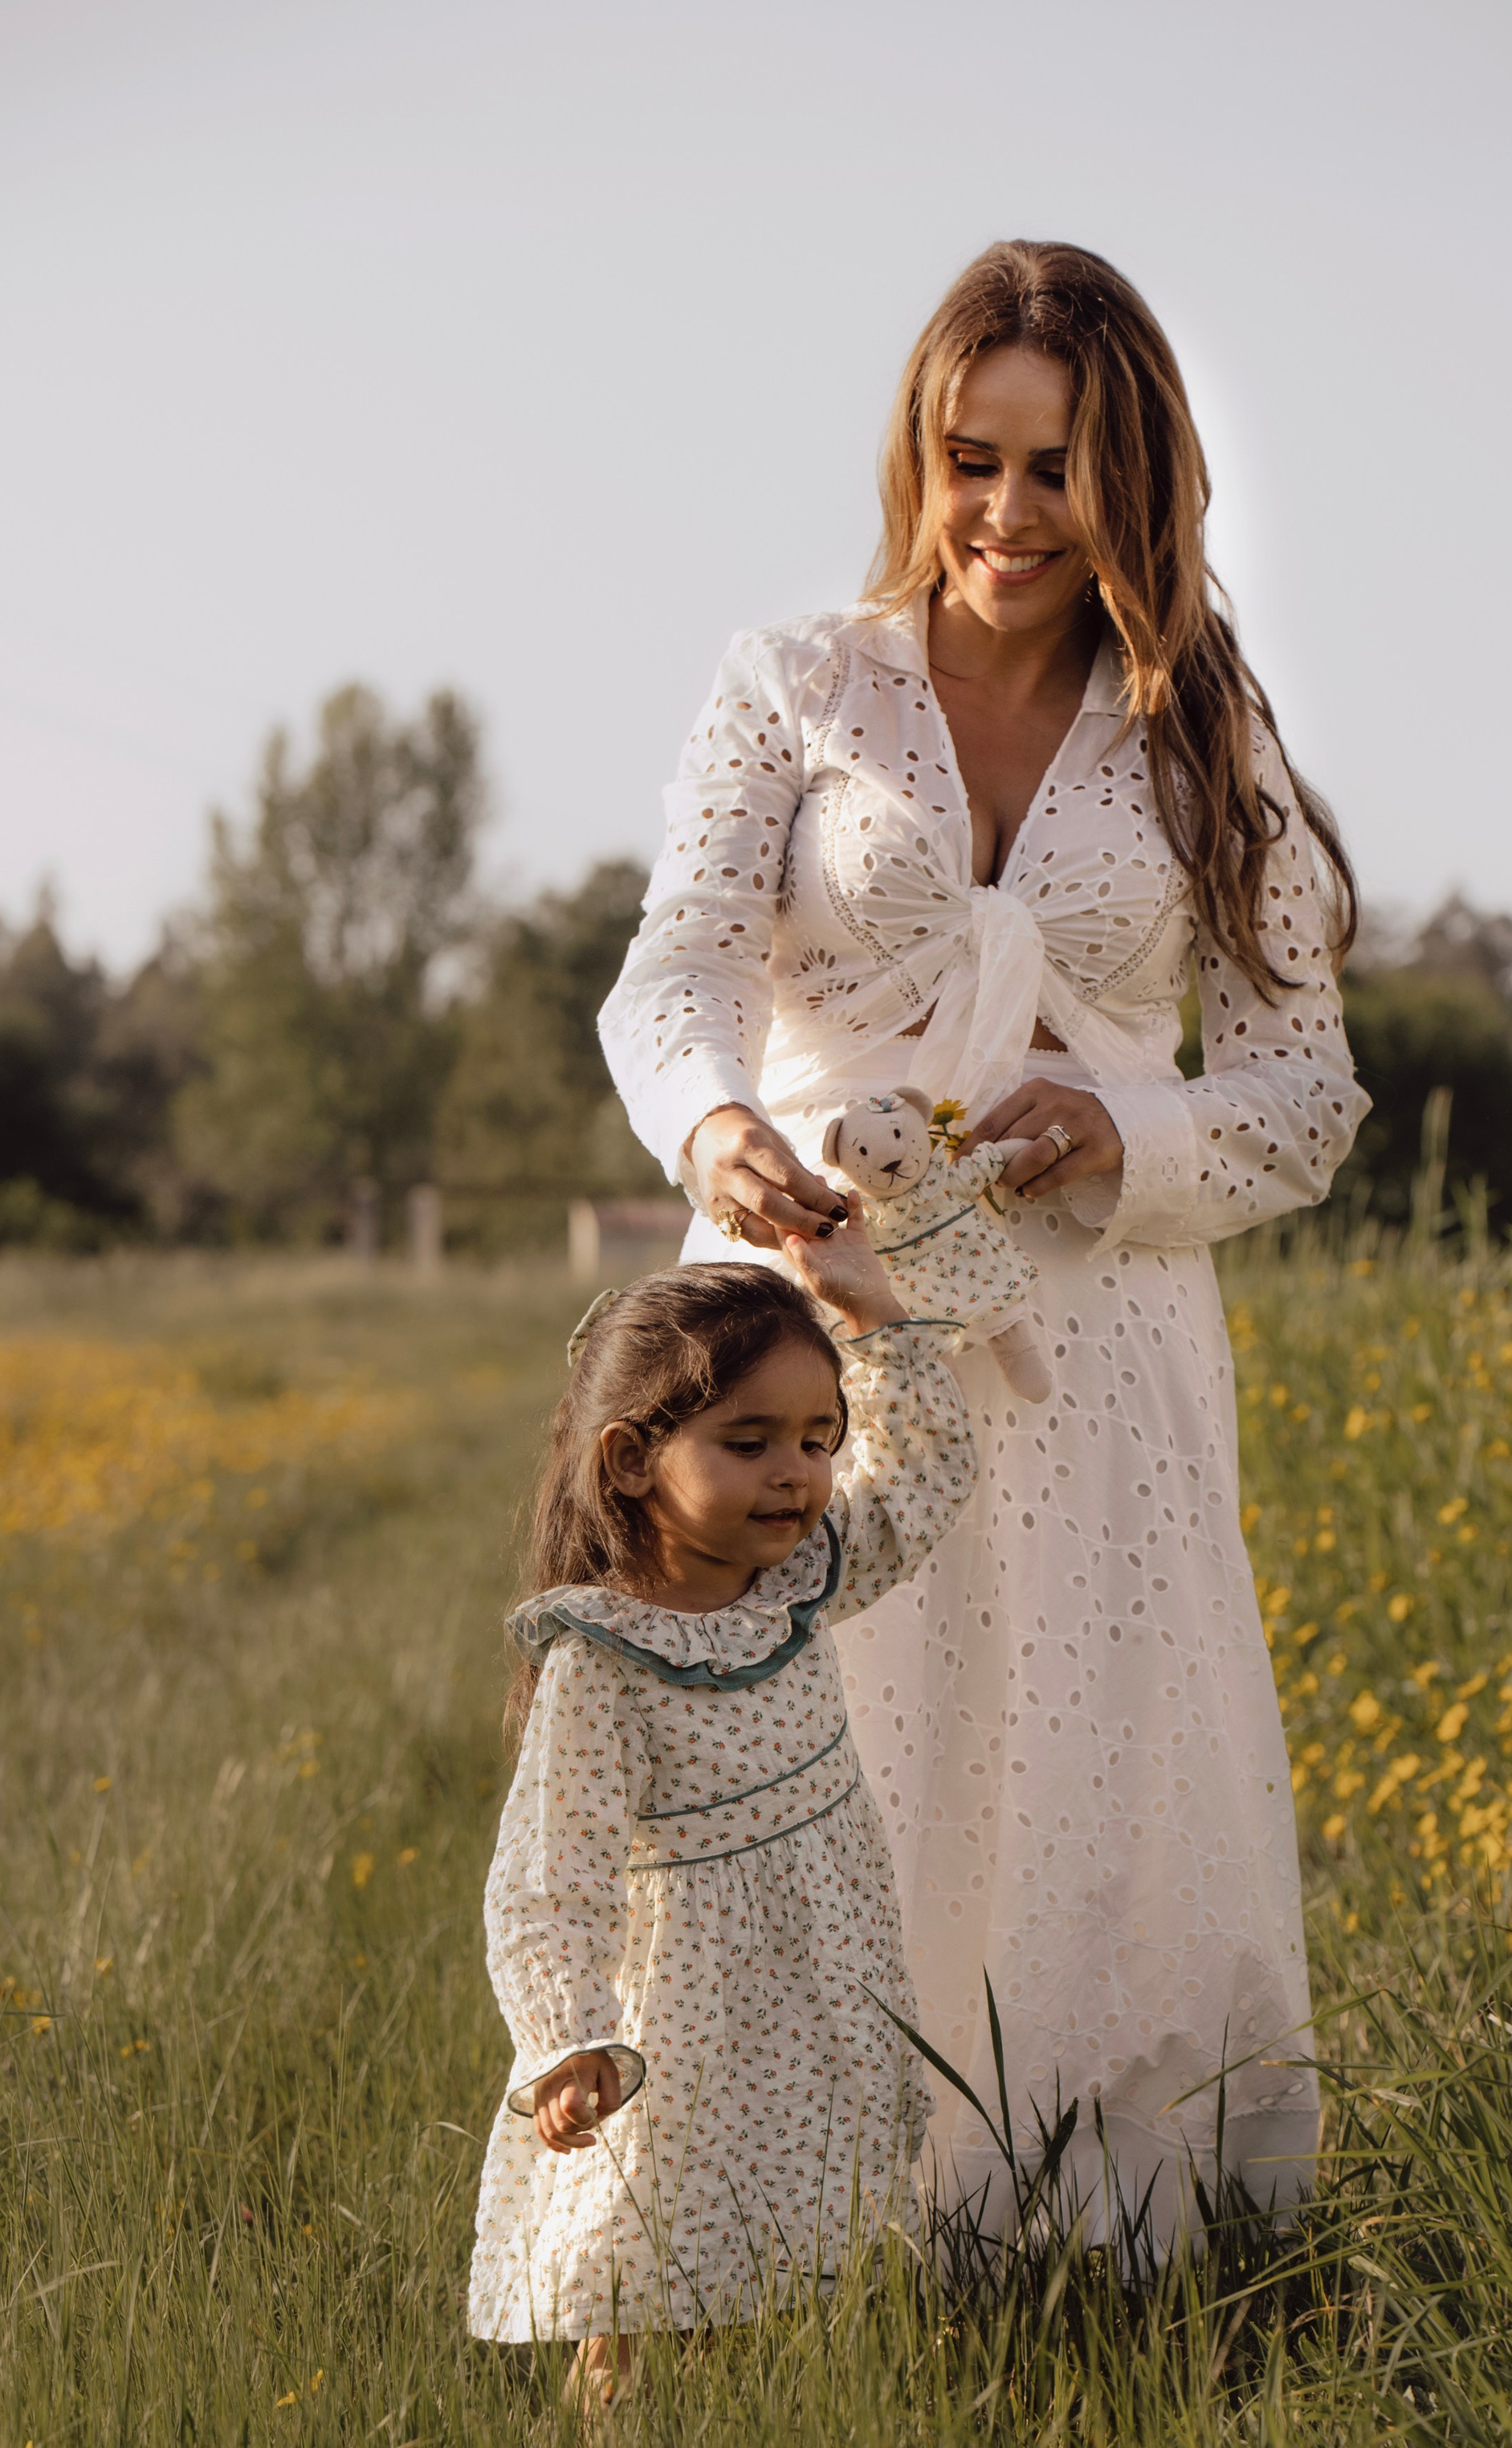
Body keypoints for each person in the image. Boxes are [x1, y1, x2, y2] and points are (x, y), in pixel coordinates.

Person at [598, 239, 1366, 2245]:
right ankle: (743, 2224)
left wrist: (1125, 1122)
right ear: (917, 460)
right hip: (806, 1323)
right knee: (787, 1754)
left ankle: (1063, 2232)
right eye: (972, 461)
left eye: (1056, 470)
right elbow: (668, 972)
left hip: (1091, 1328)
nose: (1008, 518)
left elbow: (1303, 1091)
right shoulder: (795, 684)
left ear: (1136, 479)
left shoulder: (1207, 732)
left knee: (1085, 1774)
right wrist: (719, 1122)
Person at [465, 1224, 975, 2405]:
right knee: (658, 2250)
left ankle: (759, 2437)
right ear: (634, 1459)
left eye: (816, 1439)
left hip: (823, 1979)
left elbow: (930, 1478)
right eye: (747, 1443)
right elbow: (555, 1872)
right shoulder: (606, 1663)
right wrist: (567, 2039)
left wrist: (880, 1323)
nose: (795, 1473)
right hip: (691, 2018)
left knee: (791, 2229)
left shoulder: (794, 1585)